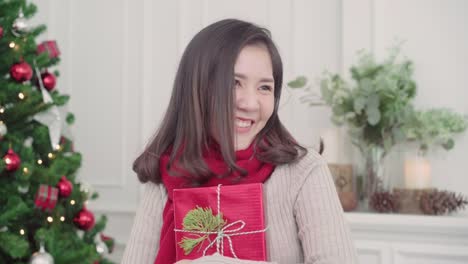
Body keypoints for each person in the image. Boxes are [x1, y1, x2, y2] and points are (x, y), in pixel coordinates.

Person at [122, 19, 357, 264]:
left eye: (264, 87)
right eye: (234, 83)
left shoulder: (303, 170)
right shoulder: (165, 170)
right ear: (196, 87)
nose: (249, 103)